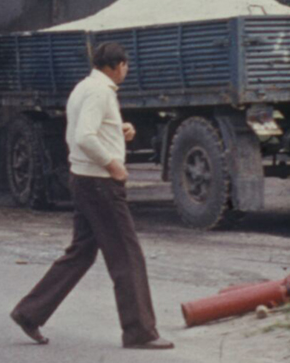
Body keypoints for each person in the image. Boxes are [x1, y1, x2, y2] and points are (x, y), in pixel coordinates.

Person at [10, 42, 172, 350]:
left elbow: (80, 132)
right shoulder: (101, 92)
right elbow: (85, 136)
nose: (126, 70)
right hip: (100, 183)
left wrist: (117, 129)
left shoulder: (84, 87)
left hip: (83, 180)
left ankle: (29, 313)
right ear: (115, 66)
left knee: (81, 253)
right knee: (127, 255)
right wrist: (113, 165)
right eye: (125, 66)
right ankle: (139, 332)